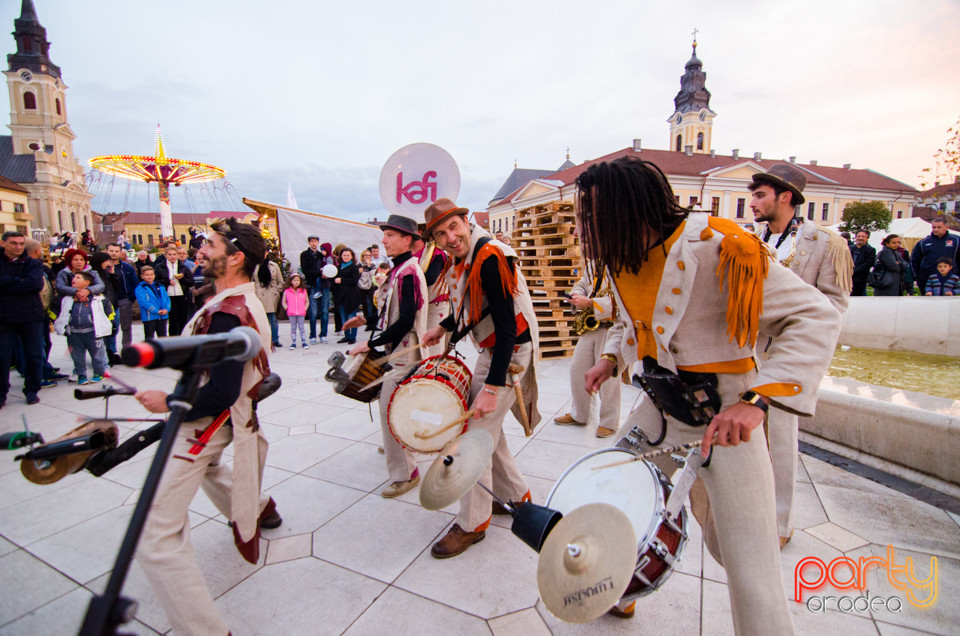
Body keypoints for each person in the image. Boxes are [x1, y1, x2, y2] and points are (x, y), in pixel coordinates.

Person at [579, 157, 839, 630]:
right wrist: (610, 358)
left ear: (633, 207)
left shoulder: (724, 247)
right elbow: (626, 320)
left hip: (726, 419)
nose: (589, 226)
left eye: (596, 214)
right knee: (611, 500)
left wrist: (757, 401)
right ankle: (622, 584)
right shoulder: (622, 256)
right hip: (658, 408)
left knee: (750, 563)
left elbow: (816, 315)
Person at [135, 218, 281, 635]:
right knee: (214, 470)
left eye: (211, 245)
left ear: (235, 257)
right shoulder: (237, 301)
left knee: (154, 534)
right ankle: (259, 508)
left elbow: (220, 392)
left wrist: (167, 401)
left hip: (204, 424)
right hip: (222, 421)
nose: (200, 250)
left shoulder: (227, 313)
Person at [421, 198, 539, 559]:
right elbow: (474, 306)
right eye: (441, 234)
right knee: (490, 432)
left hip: (508, 354)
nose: (450, 237)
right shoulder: (464, 256)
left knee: (473, 439)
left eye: (453, 227)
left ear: (465, 221)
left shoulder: (489, 257)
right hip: (493, 351)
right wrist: (442, 328)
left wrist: (492, 387)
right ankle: (516, 498)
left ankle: (473, 523)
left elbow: (505, 330)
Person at [748, 163, 851, 545]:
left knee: (782, 437)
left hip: (788, 354)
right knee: (752, 438)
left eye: (760, 195)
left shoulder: (826, 243)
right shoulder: (753, 240)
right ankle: (754, 510)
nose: (753, 203)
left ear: (785, 197)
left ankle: (778, 524)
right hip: (750, 351)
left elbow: (834, 307)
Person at [344, 215, 428, 499]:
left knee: (389, 409)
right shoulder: (401, 270)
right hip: (401, 350)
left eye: (390, 235)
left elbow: (405, 320)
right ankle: (408, 450)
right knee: (397, 407)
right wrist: (364, 319)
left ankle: (407, 474)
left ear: (407, 240)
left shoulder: (407, 273)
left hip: (406, 352)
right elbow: (389, 312)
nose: (383, 240)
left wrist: (371, 343)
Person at [553, 261, 620, 437]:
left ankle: (609, 422)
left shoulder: (620, 261)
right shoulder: (594, 262)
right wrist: (577, 295)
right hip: (592, 324)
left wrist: (590, 302)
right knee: (577, 369)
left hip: (611, 327)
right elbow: (583, 282)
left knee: (609, 379)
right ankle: (580, 415)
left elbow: (622, 299)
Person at [0, 231, 45, 407]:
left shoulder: (32, 263)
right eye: (14, 243)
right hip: (4, 317)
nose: (18, 247)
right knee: (2, 357)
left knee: (34, 355)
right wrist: (18, 281)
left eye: (21, 243)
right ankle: (1, 393)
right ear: (3, 244)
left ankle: (32, 390)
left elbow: (34, 284)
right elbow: (25, 284)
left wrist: (6, 283)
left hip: (30, 316)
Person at [53, 270, 112, 384]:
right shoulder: (67, 298)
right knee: (77, 356)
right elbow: (59, 311)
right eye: (73, 278)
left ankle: (99, 373)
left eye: (78, 277)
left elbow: (109, 310)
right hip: (74, 333)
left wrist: (104, 323)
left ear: (87, 283)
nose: (73, 279)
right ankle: (81, 375)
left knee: (97, 355)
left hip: (92, 332)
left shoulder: (98, 298)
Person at [411, 232, 450, 356]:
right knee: (419, 349)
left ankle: (434, 374)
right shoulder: (410, 255)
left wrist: (405, 280)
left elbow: (429, 278)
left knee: (434, 350)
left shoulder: (434, 253)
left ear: (419, 233)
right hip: (419, 306)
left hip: (435, 305)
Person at [911, 216, 960, 295]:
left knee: (948, 305)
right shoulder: (923, 243)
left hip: (951, 280)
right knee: (929, 304)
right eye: (934, 227)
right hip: (928, 280)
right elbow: (914, 260)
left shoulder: (956, 241)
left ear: (946, 226)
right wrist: (917, 277)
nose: (936, 229)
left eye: (939, 227)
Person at [154, 243, 194, 335]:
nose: (172, 256)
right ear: (166, 255)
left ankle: (183, 338)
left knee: (183, 319)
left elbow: (191, 282)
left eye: (174, 254)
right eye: (170, 254)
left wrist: (182, 279)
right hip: (168, 296)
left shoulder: (183, 267)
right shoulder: (160, 267)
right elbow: (155, 282)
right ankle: (173, 339)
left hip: (182, 295)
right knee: (173, 320)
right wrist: (167, 282)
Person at [106, 243, 138, 357]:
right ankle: (111, 351)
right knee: (111, 328)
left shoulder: (127, 267)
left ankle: (126, 350)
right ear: (107, 251)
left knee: (126, 327)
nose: (114, 253)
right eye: (111, 251)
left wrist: (131, 298)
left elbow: (135, 283)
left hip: (124, 300)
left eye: (116, 251)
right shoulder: (103, 267)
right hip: (109, 302)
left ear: (120, 253)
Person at [299, 236, 327, 343]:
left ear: (318, 242)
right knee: (313, 312)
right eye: (312, 241)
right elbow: (305, 270)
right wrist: (319, 273)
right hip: (312, 284)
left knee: (324, 311)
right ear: (309, 243)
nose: (314, 243)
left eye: (316, 241)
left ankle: (323, 334)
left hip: (324, 285)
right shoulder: (305, 254)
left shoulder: (321, 255)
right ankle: (312, 335)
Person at [332, 247, 362, 344]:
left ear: (352, 256)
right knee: (343, 317)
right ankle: (347, 336)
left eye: (348, 255)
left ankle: (353, 337)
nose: (346, 257)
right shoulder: (338, 267)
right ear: (341, 256)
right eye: (344, 255)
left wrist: (342, 280)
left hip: (351, 296)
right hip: (341, 296)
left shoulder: (354, 267)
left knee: (352, 317)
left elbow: (354, 280)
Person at [253, 252, 284, 347]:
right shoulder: (254, 266)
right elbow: (250, 280)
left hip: (272, 294)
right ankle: (264, 340)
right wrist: (255, 291)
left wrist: (277, 290)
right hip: (259, 294)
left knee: (273, 318)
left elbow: (280, 281)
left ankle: (275, 339)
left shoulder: (273, 265)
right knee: (262, 318)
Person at [135, 266, 170, 338]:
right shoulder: (140, 288)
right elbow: (143, 302)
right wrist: (156, 311)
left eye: (151, 274)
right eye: (147, 275)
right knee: (149, 337)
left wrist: (167, 309)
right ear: (142, 276)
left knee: (163, 336)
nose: (149, 277)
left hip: (162, 316)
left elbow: (167, 298)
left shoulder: (160, 286)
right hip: (149, 317)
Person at [282, 272, 309, 348]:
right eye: (294, 280)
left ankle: (304, 342)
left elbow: (307, 301)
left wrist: (305, 308)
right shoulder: (287, 291)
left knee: (301, 327)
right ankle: (293, 342)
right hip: (291, 312)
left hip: (301, 312)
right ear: (291, 281)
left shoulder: (303, 291)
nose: (296, 282)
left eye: (298, 280)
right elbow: (283, 301)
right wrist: (287, 308)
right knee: (293, 327)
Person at [848, 230, 876, 296]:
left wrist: (854, 271)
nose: (860, 238)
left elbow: (868, 263)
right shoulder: (849, 248)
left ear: (867, 238)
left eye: (863, 236)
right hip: (848, 277)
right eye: (859, 236)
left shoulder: (870, 250)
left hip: (860, 278)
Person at [357, 249, 378, 326]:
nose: (367, 257)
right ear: (362, 256)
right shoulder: (359, 265)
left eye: (369, 255)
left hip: (371, 286)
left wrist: (369, 266)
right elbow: (357, 275)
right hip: (361, 286)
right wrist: (359, 271)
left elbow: (373, 275)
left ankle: (373, 323)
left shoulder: (373, 265)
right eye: (366, 255)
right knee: (364, 305)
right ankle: (366, 322)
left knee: (372, 304)